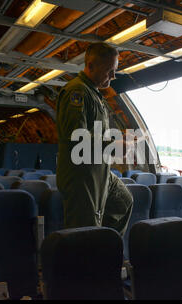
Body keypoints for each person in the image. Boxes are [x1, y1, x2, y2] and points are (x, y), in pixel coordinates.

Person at [56, 42, 132, 236]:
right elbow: (76, 137)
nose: (113, 77)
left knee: (123, 202)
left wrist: (118, 139)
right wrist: (113, 144)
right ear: (90, 66)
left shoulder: (95, 94)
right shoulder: (77, 92)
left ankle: (103, 247)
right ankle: (88, 259)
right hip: (82, 176)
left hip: (100, 171)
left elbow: (96, 134)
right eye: (109, 71)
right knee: (83, 233)